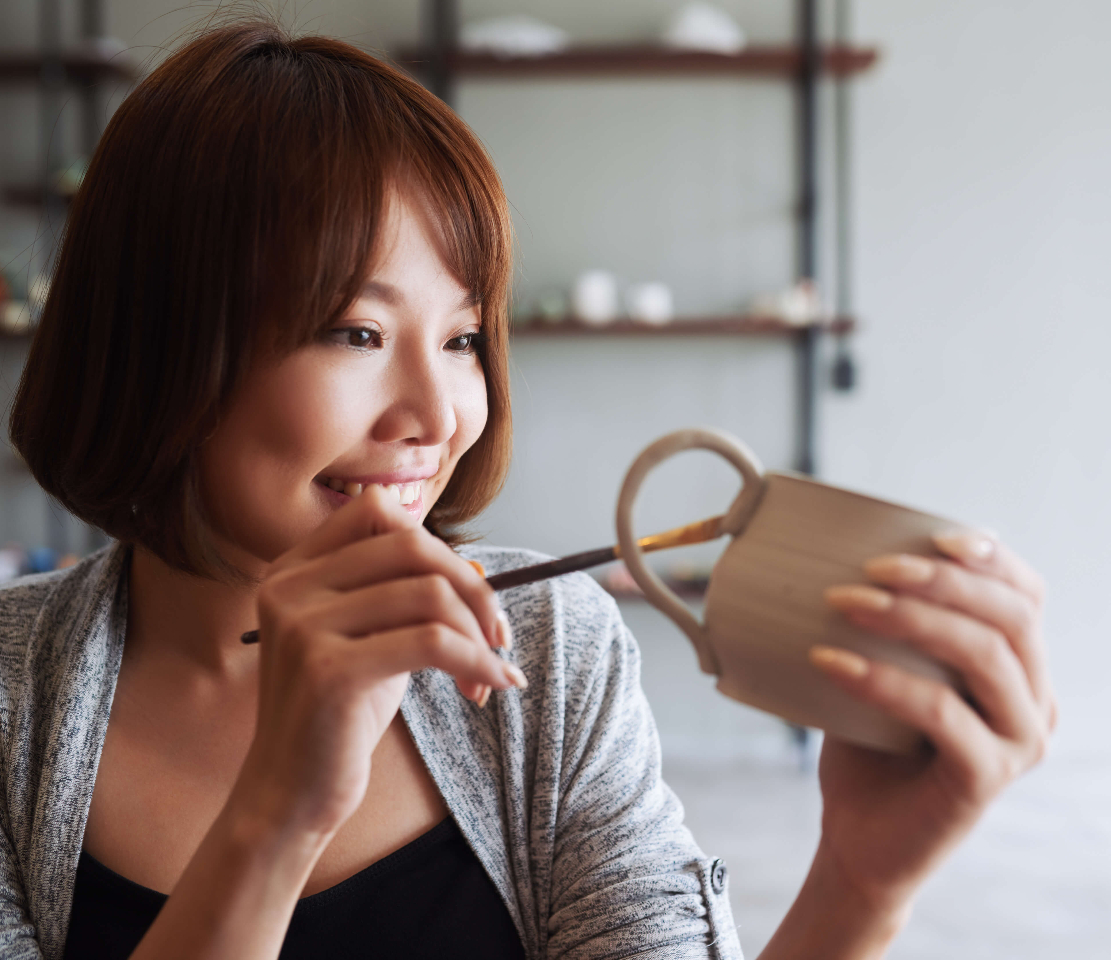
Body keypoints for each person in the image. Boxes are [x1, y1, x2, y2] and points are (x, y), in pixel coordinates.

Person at [0, 20, 1055, 960]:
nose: (435, 413)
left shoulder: (542, 649)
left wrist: (860, 888)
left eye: (462, 337)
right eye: (354, 331)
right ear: (157, 338)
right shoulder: (12, 697)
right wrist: (277, 816)